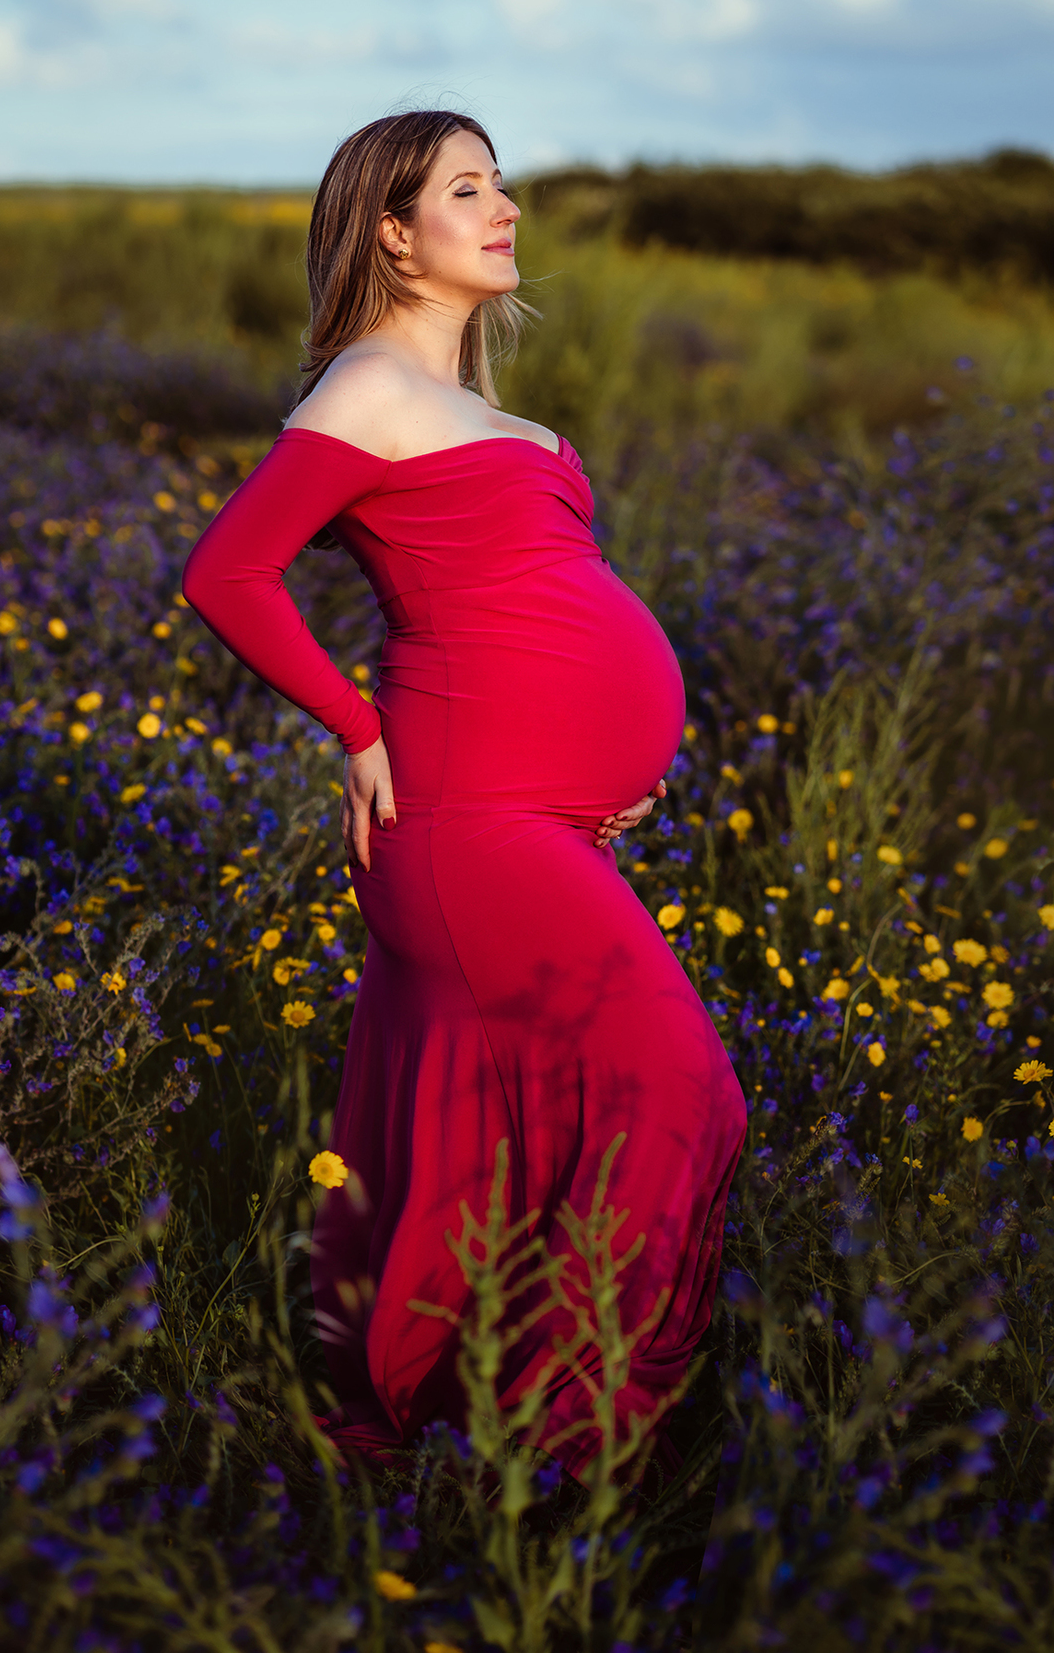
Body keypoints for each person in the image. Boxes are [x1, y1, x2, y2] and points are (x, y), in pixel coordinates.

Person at [182, 109, 746, 1485]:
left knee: (507, 1138)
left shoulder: (488, 412)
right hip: (463, 820)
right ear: (392, 232)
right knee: (682, 1086)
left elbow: (526, 596)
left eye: (503, 185)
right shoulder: (367, 387)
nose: (506, 210)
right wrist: (354, 727)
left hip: (537, 820)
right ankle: (555, 1442)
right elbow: (228, 573)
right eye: (468, 189)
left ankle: (478, 1430)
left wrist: (604, 763)